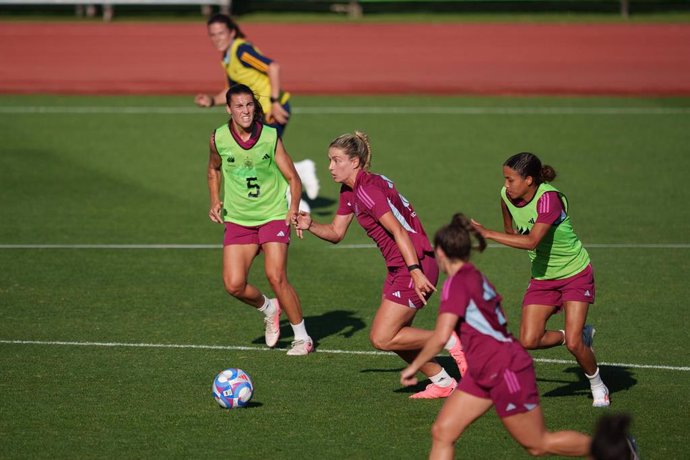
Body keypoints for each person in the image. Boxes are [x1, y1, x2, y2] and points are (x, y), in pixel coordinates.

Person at [400, 213, 592, 459]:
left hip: (505, 370)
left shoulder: (457, 284)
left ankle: (615, 449)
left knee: (537, 443)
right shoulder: (472, 274)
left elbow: (440, 336)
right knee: (443, 431)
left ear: (440, 253)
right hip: (483, 370)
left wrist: (413, 366)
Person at [293, 131, 467, 398]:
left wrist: (415, 271)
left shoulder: (367, 191)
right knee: (396, 336)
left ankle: (450, 338)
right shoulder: (351, 190)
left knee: (382, 337)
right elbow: (337, 233)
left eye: (336, 160)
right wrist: (311, 224)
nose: (330, 167)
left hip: (414, 264)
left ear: (355, 161)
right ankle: (442, 381)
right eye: (329, 160)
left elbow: (398, 231)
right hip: (400, 267)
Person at [470, 152, 610, 407]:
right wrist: (494, 235)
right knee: (529, 339)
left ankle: (598, 385)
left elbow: (532, 240)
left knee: (576, 345)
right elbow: (512, 232)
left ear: (530, 180)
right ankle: (574, 335)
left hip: (574, 273)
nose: (506, 185)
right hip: (543, 277)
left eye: (511, 180)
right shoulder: (506, 197)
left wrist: (487, 234)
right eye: (505, 179)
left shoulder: (549, 200)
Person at [207, 83, 313, 355]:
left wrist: (293, 208)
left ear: (255, 107)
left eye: (249, 105)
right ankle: (269, 308)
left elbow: (292, 177)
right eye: (239, 106)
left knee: (275, 275)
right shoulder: (218, 138)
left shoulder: (269, 136)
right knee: (234, 284)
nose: (245, 110)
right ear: (229, 109)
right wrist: (215, 200)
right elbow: (213, 169)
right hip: (239, 219)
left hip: (273, 215)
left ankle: (302, 337)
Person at [195, 13, 319, 208]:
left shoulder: (241, 50)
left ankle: (295, 192)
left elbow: (273, 67)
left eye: (221, 33)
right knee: (264, 157)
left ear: (232, 32)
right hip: (259, 112)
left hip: (272, 110)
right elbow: (232, 91)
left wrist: (275, 101)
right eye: (213, 34)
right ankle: (300, 174)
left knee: (264, 157)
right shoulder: (227, 58)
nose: (217, 38)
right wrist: (211, 100)